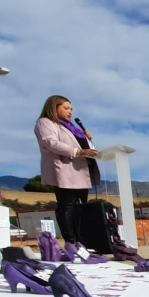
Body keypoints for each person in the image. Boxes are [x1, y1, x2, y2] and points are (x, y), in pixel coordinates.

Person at [35, 95, 100, 245]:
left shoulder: (71, 128)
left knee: (81, 207)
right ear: (53, 107)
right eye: (66, 108)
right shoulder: (45, 123)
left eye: (71, 109)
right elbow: (51, 142)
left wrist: (88, 140)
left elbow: (84, 147)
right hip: (64, 169)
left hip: (81, 170)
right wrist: (79, 152)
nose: (70, 111)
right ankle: (70, 242)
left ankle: (81, 241)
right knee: (67, 205)